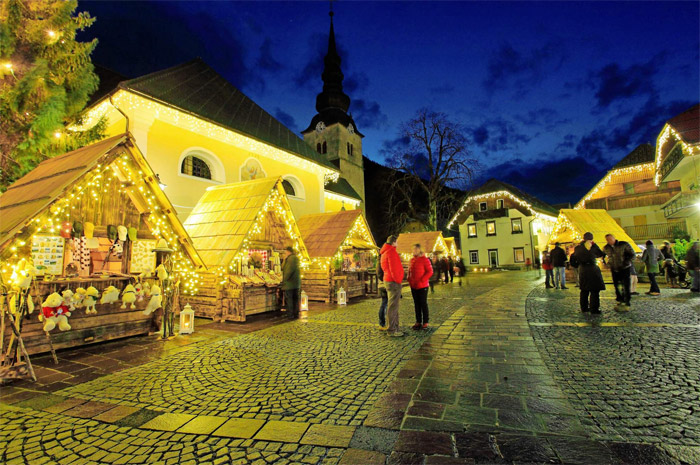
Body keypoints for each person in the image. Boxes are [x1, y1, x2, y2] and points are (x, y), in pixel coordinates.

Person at [570, 232, 605, 314]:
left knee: (584, 290)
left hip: (583, 269)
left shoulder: (578, 248)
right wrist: (594, 245)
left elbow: (573, 258)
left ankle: (584, 307)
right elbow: (600, 254)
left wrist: (577, 265)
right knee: (594, 290)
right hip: (592, 269)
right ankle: (594, 308)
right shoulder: (593, 247)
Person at [380, 235, 405, 337]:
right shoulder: (391, 252)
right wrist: (398, 280)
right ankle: (392, 329)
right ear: (394, 242)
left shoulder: (384, 252)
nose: (397, 244)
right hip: (393, 281)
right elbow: (394, 269)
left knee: (393, 305)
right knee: (393, 306)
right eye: (397, 242)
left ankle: (395, 327)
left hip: (388, 280)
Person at [603, 233, 636, 308]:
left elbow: (633, 254)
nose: (609, 241)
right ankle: (620, 299)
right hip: (614, 268)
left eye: (610, 239)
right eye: (608, 239)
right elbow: (604, 256)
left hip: (624, 268)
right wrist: (607, 264)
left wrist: (627, 262)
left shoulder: (623, 244)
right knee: (616, 285)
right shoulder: (606, 248)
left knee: (626, 285)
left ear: (614, 238)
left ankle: (627, 300)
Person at [408, 243, 433, 330]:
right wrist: (409, 278)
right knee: (416, 304)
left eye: (415, 249)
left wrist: (422, 279)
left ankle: (425, 321)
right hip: (413, 285)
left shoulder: (425, 260)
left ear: (419, 250)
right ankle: (418, 321)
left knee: (423, 303)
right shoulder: (411, 260)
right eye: (413, 249)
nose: (414, 251)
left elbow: (430, 271)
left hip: (422, 285)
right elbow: (410, 270)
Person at [281, 246, 301, 319]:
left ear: (288, 251)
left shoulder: (290, 259)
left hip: (289, 284)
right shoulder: (296, 258)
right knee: (295, 299)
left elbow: (287, 271)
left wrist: (283, 280)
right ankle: (296, 313)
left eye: (285, 251)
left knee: (289, 299)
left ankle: (290, 314)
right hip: (296, 283)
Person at [376, 264, 388, 330]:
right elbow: (379, 273)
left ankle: (383, 323)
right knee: (384, 304)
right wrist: (385, 280)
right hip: (384, 285)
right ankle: (382, 323)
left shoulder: (381, 259)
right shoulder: (381, 260)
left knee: (385, 304)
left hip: (384, 284)